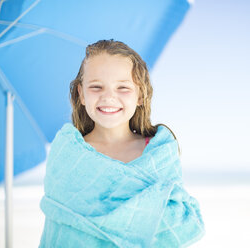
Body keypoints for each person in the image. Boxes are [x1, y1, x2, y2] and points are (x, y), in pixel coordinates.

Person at [39, 39, 205, 248]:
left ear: (140, 95)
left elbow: (177, 220)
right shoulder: (68, 153)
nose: (109, 97)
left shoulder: (159, 152)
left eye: (123, 88)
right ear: (81, 94)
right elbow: (59, 230)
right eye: (96, 87)